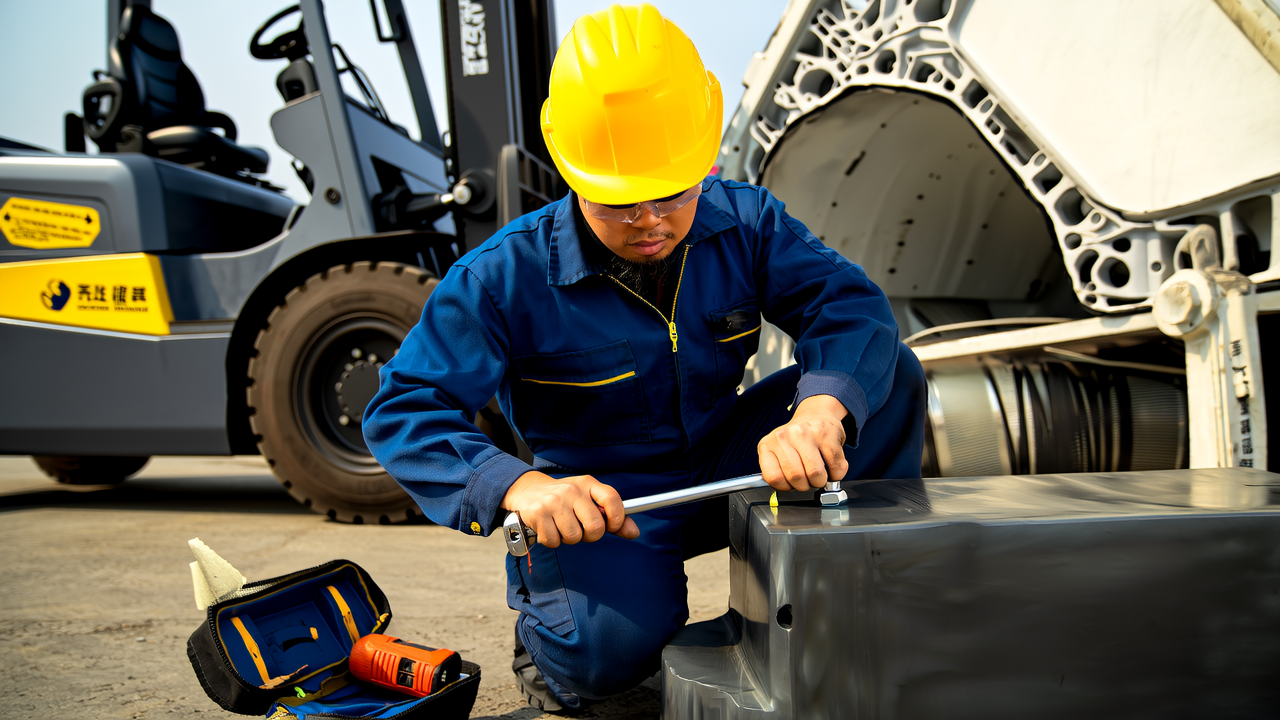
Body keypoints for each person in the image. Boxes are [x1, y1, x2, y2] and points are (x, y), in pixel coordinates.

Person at [364, 3, 926, 713]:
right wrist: (519, 487)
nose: (651, 221)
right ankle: (564, 641)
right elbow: (404, 410)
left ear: (701, 164)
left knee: (888, 379)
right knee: (607, 658)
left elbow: (848, 307)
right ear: (573, 172)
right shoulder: (500, 277)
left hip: (730, 462)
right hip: (605, 502)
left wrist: (819, 413)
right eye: (621, 202)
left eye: (672, 193)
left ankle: (848, 597)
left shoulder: (748, 223)